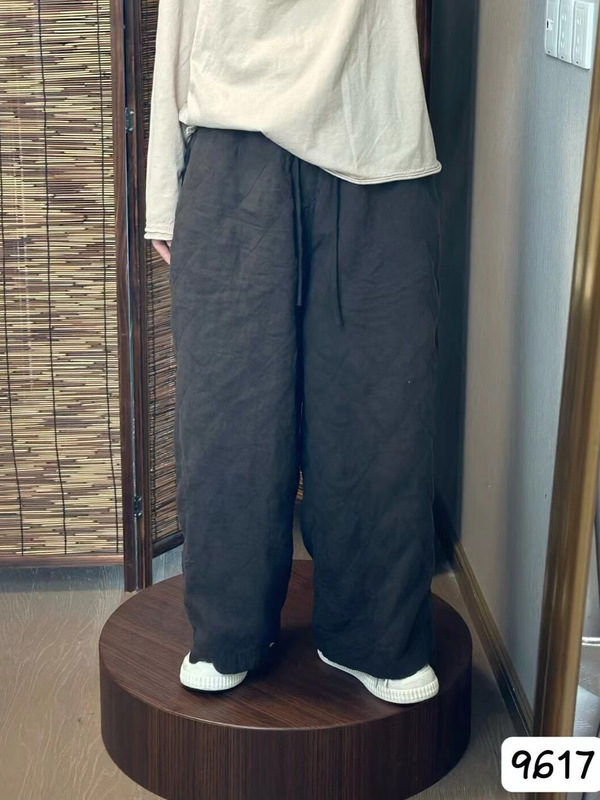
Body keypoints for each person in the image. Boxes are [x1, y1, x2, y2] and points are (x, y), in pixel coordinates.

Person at [145, 0, 442, 705]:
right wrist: (162, 186)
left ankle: (375, 636)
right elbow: (180, 15)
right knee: (228, 413)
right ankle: (228, 630)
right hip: (233, 142)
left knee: (379, 410)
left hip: (373, 132)